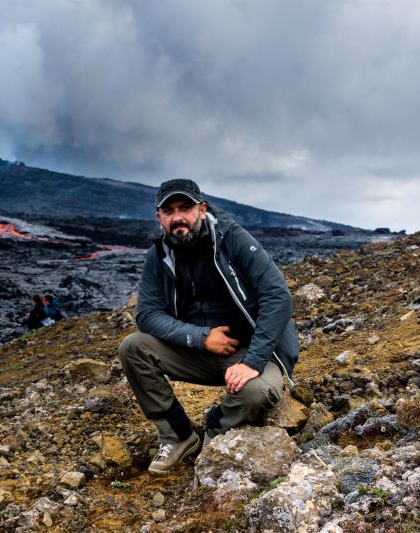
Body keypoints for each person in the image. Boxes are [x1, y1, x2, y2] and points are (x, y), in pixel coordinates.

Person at [118, 178, 298, 475]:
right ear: (159, 217)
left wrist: (252, 361)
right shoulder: (159, 255)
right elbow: (147, 314)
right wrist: (200, 338)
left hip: (252, 352)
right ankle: (178, 435)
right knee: (133, 348)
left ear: (201, 209)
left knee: (256, 392)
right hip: (202, 350)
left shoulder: (232, 239)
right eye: (169, 210)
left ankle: (215, 431)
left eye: (185, 207)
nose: (178, 217)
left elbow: (277, 296)